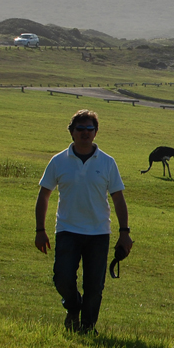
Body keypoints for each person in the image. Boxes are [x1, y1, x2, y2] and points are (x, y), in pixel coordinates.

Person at [34, 109, 132, 335]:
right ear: (72, 132)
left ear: (96, 133)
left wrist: (124, 232)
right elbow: (44, 196)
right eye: (80, 129)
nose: (85, 133)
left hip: (99, 232)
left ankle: (87, 328)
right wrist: (40, 230)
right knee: (62, 277)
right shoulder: (58, 161)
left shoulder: (108, 162)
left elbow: (118, 199)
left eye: (90, 129)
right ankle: (73, 307)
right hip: (67, 230)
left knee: (94, 286)